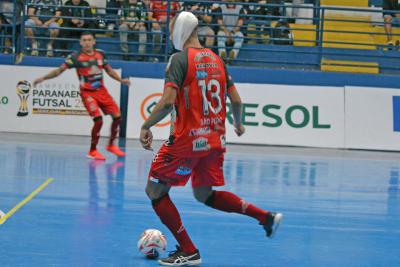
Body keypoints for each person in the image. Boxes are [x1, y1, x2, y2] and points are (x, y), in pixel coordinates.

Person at [139, 11, 283, 266]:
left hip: (187, 141)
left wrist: (146, 125)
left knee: (155, 190)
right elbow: (236, 100)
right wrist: (238, 124)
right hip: (215, 140)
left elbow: (167, 102)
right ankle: (266, 217)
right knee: (204, 194)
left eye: (173, 29)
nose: (171, 35)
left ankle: (189, 250)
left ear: (182, 30)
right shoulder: (217, 60)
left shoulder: (179, 60)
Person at [33, 32, 130, 160]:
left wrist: (121, 80)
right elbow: (59, 70)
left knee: (117, 117)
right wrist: (43, 78)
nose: (87, 42)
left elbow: (109, 70)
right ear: (80, 43)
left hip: (102, 91)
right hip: (87, 93)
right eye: (84, 40)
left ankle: (111, 145)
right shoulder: (75, 57)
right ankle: (92, 150)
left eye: (89, 40)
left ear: (94, 41)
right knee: (98, 120)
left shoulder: (100, 54)